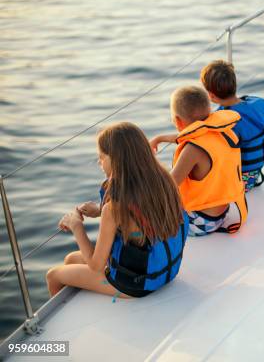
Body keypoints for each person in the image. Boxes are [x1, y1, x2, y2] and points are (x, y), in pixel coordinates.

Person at [46, 122, 188, 299]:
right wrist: (99, 210)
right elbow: (139, 215)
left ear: (116, 160)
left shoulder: (113, 209)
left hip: (135, 284)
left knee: (53, 275)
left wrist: (76, 226)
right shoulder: (164, 180)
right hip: (162, 272)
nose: (99, 161)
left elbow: (96, 265)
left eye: (102, 157)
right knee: (71, 260)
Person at [150, 85, 247, 236]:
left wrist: (150, 163)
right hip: (221, 211)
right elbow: (187, 135)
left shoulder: (192, 150)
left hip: (201, 222)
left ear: (177, 121)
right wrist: (160, 138)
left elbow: (169, 186)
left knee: (150, 213)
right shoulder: (222, 132)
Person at [200, 60, 264, 191]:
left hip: (239, 182)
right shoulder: (255, 104)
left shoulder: (220, 121)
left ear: (211, 95)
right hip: (255, 173)